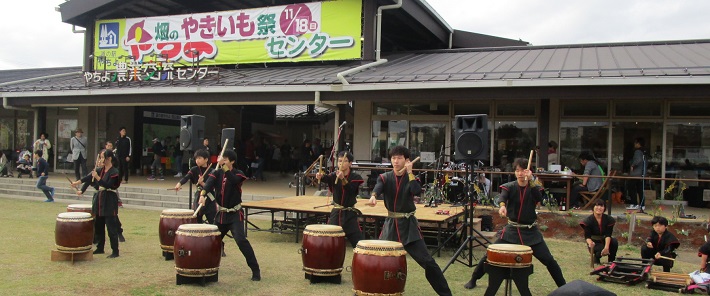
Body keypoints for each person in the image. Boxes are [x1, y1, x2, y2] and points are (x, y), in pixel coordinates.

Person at [464, 157, 566, 290]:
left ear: (528, 172)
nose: (520, 173)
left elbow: (539, 199)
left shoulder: (534, 188)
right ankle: (473, 279)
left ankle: (563, 287)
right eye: (517, 170)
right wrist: (502, 206)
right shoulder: (509, 186)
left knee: (549, 260)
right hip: (511, 231)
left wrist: (531, 181)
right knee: (490, 254)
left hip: (531, 232)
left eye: (523, 170)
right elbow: (503, 197)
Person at [367, 146, 452, 296]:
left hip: (409, 228)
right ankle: (369, 291)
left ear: (407, 161)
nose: (395, 161)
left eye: (399, 158)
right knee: (377, 261)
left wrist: (410, 172)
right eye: (393, 158)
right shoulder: (385, 177)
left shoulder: (412, 177)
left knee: (429, 263)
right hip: (391, 227)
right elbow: (378, 187)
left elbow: (416, 191)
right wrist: (374, 195)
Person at [199, 150, 261, 281]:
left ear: (232, 161)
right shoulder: (217, 173)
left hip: (235, 214)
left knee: (241, 240)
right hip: (221, 215)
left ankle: (255, 270)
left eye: (225, 160)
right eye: (222, 159)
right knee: (212, 242)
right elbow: (208, 184)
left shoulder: (239, 174)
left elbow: (233, 181)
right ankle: (207, 271)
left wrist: (224, 167)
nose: (222, 162)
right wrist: (202, 195)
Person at [75, 149, 121, 258]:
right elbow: (88, 178)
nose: (101, 159)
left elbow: (109, 185)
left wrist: (97, 177)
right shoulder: (100, 170)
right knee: (99, 226)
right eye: (100, 157)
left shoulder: (115, 172)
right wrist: (77, 183)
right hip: (100, 200)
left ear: (109, 158)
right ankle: (100, 248)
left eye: (102, 157)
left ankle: (115, 251)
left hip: (109, 200)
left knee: (111, 228)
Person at [316, 151, 365, 248]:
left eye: (345, 161)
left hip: (349, 213)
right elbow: (326, 178)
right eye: (339, 161)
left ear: (350, 163)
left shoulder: (355, 177)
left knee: (358, 243)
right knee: (329, 240)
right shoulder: (333, 175)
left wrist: (343, 179)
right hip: (336, 212)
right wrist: (320, 176)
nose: (341, 163)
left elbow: (351, 190)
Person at [175, 149, 215, 224]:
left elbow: (212, 186)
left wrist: (202, 183)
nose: (197, 160)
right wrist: (179, 184)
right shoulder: (194, 169)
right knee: (197, 219)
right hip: (199, 195)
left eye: (199, 158)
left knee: (212, 220)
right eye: (196, 158)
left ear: (206, 159)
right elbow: (186, 177)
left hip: (210, 196)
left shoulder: (212, 171)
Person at [579, 199, 618, 264]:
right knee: (600, 249)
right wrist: (590, 243)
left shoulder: (609, 219)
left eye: (601, 206)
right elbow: (587, 237)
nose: (599, 208)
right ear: (593, 207)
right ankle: (596, 257)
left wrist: (606, 248)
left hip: (605, 239)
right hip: (594, 241)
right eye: (597, 206)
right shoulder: (588, 221)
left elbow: (608, 234)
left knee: (614, 242)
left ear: (604, 208)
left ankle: (611, 260)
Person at [627, 137, 647, 211]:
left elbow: (638, 160)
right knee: (640, 189)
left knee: (631, 188)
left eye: (635, 143)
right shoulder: (644, 151)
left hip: (636, 174)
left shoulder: (638, 151)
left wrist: (633, 165)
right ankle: (642, 205)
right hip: (641, 174)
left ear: (638, 143)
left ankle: (634, 204)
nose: (634, 144)